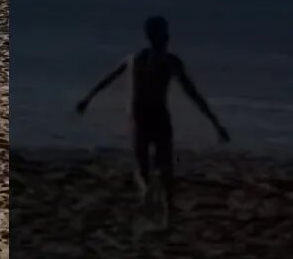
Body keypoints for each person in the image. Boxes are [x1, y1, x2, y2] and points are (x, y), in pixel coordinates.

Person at [74, 15, 229, 229]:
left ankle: (150, 197)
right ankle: (166, 210)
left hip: (141, 116)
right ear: (163, 35)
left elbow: (107, 79)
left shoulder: (135, 59)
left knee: (143, 165)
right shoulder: (168, 61)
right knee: (162, 166)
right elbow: (193, 94)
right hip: (157, 116)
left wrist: (87, 99)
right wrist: (215, 123)